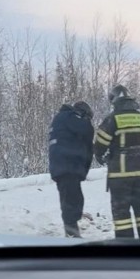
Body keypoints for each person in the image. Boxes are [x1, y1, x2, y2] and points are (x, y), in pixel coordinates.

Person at [94, 85, 140, 238]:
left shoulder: (112, 119)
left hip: (120, 171)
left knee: (121, 212)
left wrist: (100, 156)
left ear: (114, 100)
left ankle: (125, 246)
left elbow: (101, 142)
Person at [48, 101, 95, 238]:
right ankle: (71, 233)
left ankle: (71, 229)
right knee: (71, 199)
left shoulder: (61, 118)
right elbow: (87, 131)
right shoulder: (70, 117)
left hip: (61, 165)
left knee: (71, 197)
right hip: (67, 165)